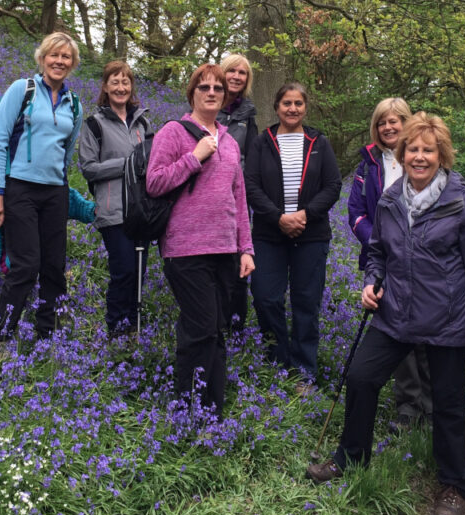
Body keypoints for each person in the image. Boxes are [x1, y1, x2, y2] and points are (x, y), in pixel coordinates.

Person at [307, 112, 465, 515]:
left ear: (441, 155)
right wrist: (372, 280)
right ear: (402, 153)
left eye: (428, 150)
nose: (419, 157)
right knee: (361, 378)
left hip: (448, 318)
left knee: (448, 402)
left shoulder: (461, 202)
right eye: (413, 149)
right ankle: (350, 458)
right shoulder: (391, 199)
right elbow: (378, 250)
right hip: (395, 312)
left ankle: (454, 484)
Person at [145, 63, 255, 415]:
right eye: (204, 87)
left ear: (225, 96)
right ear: (191, 93)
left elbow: (239, 198)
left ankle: (211, 412)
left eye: (218, 88)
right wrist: (194, 158)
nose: (211, 93)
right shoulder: (173, 133)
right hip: (186, 249)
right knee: (201, 328)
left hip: (225, 250)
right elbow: (154, 182)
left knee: (215, 330)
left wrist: (246, 248)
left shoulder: (230, 142)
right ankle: (187, 410)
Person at [0, 32, 83, 348]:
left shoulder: (74, 104)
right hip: (20, 189)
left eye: (66, 57)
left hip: (55, 193)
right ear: (42, 58)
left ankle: (47, 336)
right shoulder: (22, 90)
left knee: (54, 266)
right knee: (25, 264)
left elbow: (67, 152)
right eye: (54, 55)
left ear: (72, 64)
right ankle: (0, 336)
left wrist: (61, 184)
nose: (59, 61)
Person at [244, 82, 341, 386]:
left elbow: (333, 186)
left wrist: (305, 215)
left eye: (298, 103)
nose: (292, 109)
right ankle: (277, 364)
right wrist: (278, 218)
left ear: (305, 108)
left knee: (306, 303)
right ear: (277, 107)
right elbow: (251, 186)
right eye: (287, 103)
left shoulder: (319, 142)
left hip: (310, 235)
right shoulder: (262, 142)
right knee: (265, 298)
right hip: (269, 234)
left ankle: (303, 373)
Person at [347, 98, 433, 431]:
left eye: (395, 121)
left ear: (407, 123)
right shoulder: (368, 165)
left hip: (424, 262)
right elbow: (356, 213)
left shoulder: (422, 159)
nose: (388, 127)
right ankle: (408, 407)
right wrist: (380, 242)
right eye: (382, 122)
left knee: (427, 332)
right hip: (384, 261)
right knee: (396, 331)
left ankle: (433, 406)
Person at [79, 60, 150, 336]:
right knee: (124, 271)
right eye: (115, 82)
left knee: (139, 273)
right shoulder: (94, 124)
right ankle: (116, 329)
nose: (121, 87)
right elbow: (88, 168)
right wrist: (128, 164)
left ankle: (133, 327)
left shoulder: (142, 122)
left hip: (141, 210)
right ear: (105, 87)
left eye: (125, 82)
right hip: (113, 210)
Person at [217, 53, 258, 330]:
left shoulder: (248, 115)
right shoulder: (207, 104)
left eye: (242, 73)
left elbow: (252, 159)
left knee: (238, 260)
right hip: (207, 197)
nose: (236, 76)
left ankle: (236, 329)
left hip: (236, 197)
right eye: (232, 70)